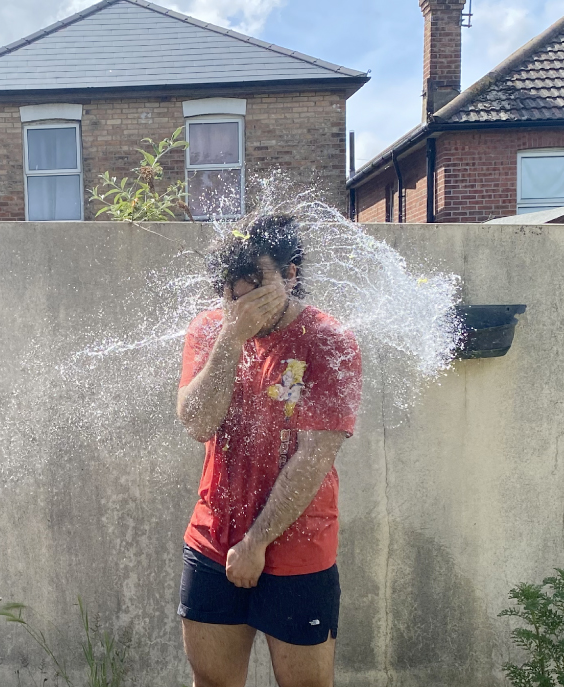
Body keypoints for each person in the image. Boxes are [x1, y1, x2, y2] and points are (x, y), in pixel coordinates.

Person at [175, 214, 362, 687]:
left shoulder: (330, 340)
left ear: (291, 273)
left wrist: (256, 543)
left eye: (255, 286)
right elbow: (197, 422)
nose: (241, 303)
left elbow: (315, 457)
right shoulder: (211, 330)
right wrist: (231, 338)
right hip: (212, 540)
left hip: (299, 549)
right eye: (231, 291)